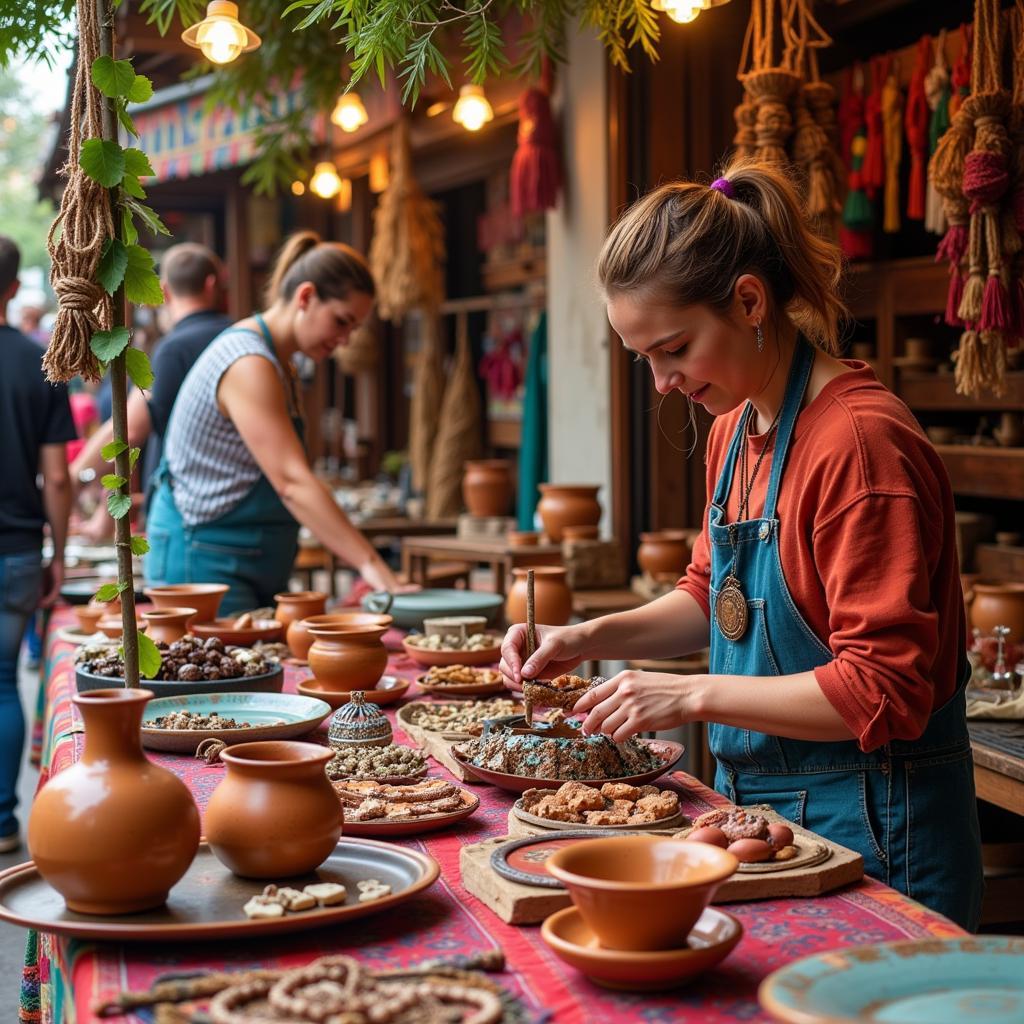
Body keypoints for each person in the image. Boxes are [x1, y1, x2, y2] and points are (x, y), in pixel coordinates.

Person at [499, 161, 983, 930]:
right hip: (761, 808)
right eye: (644, 359)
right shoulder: (736, 428)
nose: (661, 382)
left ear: (749, 300)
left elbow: (883, 690)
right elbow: (711, 597)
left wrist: (687, 693)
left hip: (878, 821)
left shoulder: (860, 446)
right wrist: (588, 638)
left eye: (675, 348)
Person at [145, 231, 405, 613]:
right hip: (202, 559)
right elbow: (292, 483)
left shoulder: (280, 363)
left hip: (243, 557)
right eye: (341, 322)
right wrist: (374, 566)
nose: (345, 340)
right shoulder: (248, 361)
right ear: (305, 297)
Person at [0, 236, 75, 853]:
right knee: (3, 679)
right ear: (12, 288)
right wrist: (59, 551)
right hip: (19, 549)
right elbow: (56, 475)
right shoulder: (39, 362)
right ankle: (2, 822)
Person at [71, 243, 233, 501]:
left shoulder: (174, 349)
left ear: (164, 291)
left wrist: (77, 477)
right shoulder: (237, 337)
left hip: (183, 501)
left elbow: (131, 429)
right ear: (212, 284)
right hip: (229, 490)